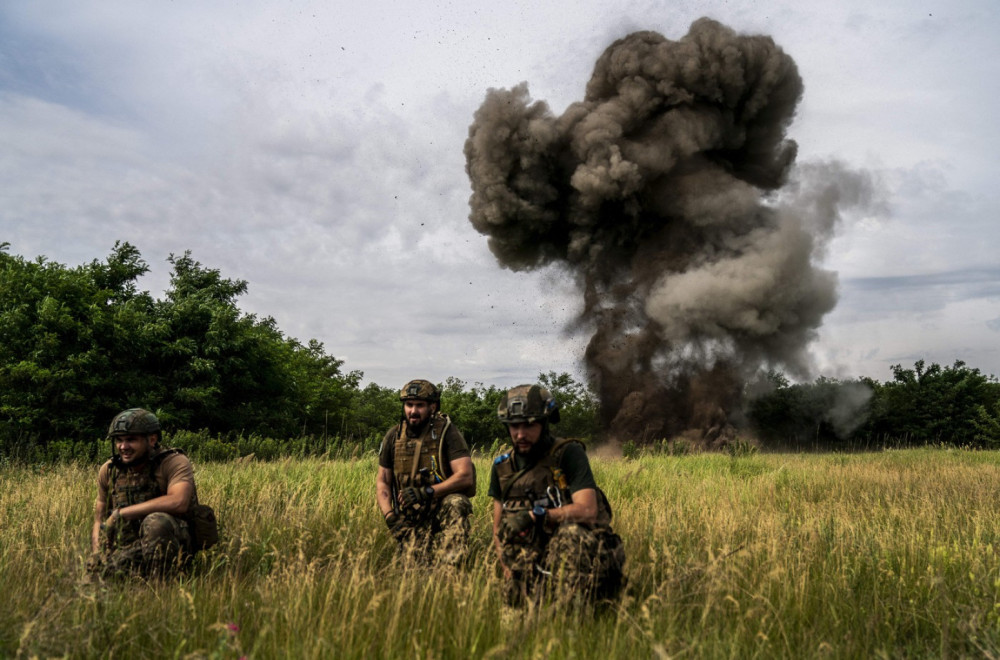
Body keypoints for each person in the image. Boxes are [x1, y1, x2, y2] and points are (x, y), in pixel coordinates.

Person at [489, 384, 625, 605]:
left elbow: (588, 510)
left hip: (577, 556)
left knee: (570, 535)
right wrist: (507, 568)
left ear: (544, 423)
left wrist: (537, 516)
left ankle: (574, 613)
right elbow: (498, 529)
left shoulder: (568, 454)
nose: (520, 434)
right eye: (514, 426)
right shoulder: (502, 467)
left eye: (529, 425)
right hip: (528, 557)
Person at [88, 408, 215, 578]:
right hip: (130, 547)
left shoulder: (173, 462)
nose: (123, 447)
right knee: (97, 575)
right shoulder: (109, 470)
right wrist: (98, 553)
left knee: (156, 522)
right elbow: (100, 520)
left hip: (174, 545)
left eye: (131, 440)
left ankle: (161, 585)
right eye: (119, 440)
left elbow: (179, 501)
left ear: (152, 439)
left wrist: (121, 514)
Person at [376, 379, 476, 565]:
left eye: (420, 405)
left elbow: (465, 476)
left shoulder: (447, 432)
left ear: (433, 406)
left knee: (456, 502)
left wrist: (427, 492)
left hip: (439, 507)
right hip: (410, 514)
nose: (413, 411)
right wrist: (390, 517)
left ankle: (451, 569)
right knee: (412, 571)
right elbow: (383, 480)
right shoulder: (394, 435)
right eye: (409, 405)